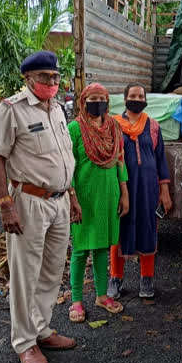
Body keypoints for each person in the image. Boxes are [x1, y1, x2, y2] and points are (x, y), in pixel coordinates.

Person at [0, 51, 80, 363]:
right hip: (28, 201)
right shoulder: (11, 110)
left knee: (52, 269)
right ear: (27, 79)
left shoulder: (57, 109)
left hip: (58, 201)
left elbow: (61, 156)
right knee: (26, 274)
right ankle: (24, 342)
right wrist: (5, 204)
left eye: (55, 77)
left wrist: (71, 195)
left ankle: (41, 329)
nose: (51, 82)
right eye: (44, 77)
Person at [66, 83, 129, 321]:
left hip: (110, 193)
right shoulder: (74, 128)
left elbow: (120, 160)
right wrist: (72, 197)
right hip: (84, 197)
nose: (97, 103)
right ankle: (77, 301)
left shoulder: (113, 126)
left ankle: (102, 296)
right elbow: (68, 165)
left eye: (101, 98)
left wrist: (125, 192)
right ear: (83, 102)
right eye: (92, 98)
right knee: (81, 250)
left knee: (103, 246)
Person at [107, 83, 172, 300]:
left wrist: (165, 191)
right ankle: (115, 278)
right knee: (119, 231)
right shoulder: (113, 125)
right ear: (125, 99)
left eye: (140, 95)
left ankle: (147, 278)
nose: (137, 98)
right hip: (120, 187)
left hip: (148, 188)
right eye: (132, 95)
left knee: (148, 229)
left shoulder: (153, 126)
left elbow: (161, 159)